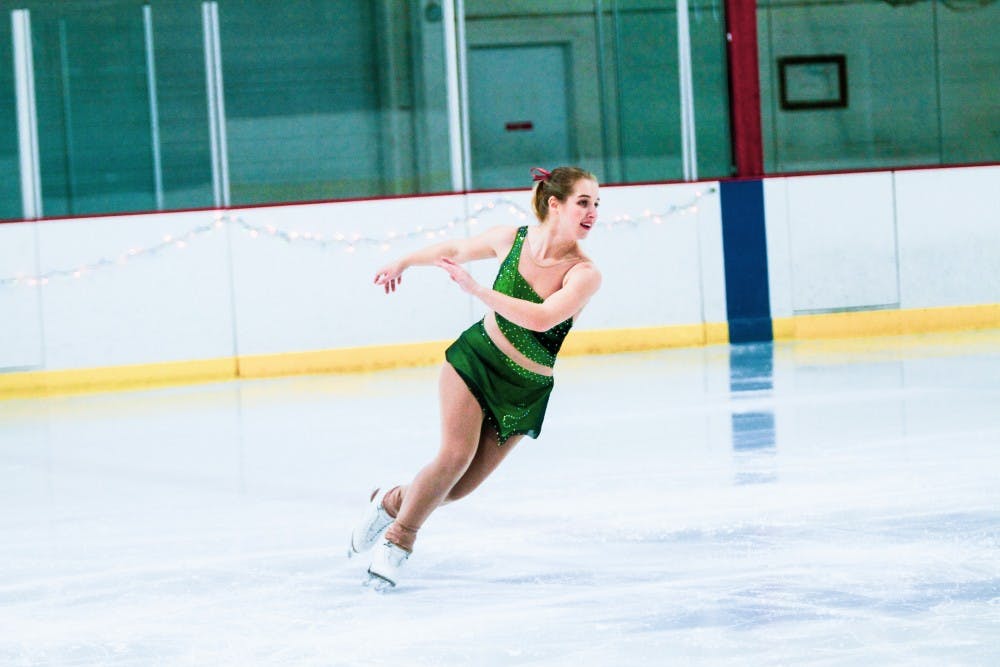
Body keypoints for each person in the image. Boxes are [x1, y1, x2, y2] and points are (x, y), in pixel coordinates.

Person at [348, 166, 602, 589]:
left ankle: (391, 502)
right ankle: (398, 541)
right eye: (584, 202)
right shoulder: (510, 239)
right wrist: (404, 261)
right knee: (453, 457)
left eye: (596, 204)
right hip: (476, 359)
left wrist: (478, 290)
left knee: (460, 487)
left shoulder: (584, 273)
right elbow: (455, 248)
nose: (593, 211)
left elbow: (541, 320)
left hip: (524, 389)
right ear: (554, 205)